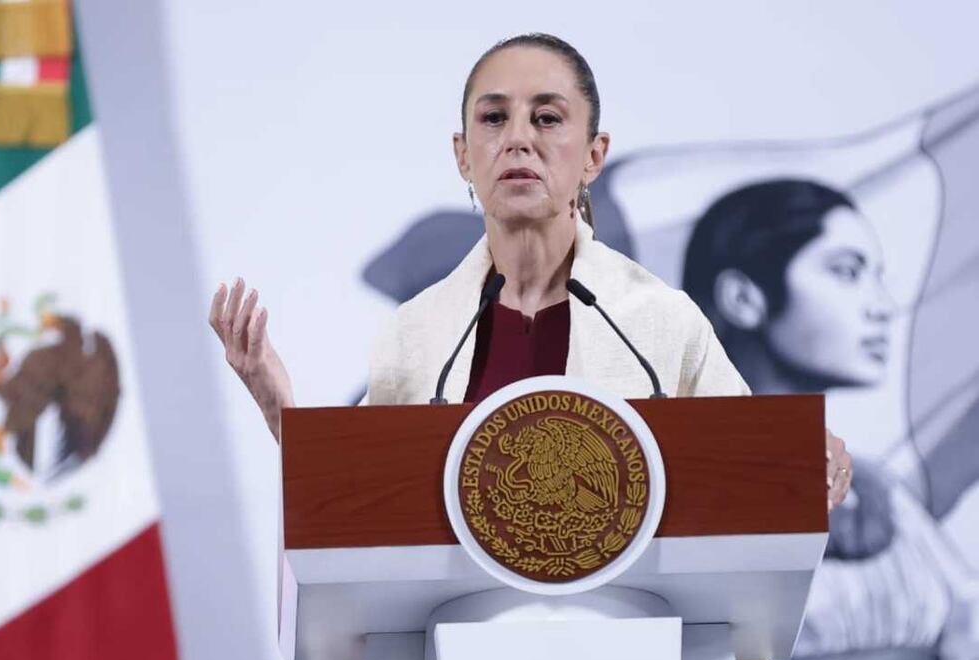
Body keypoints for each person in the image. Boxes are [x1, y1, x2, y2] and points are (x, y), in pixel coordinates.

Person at [207, 34, 851, 510]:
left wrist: (810, 462)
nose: (518, 140)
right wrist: (278, 404)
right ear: (463, 156)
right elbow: (354, 500)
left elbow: (758, 482)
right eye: (493, 119)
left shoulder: (661, 324)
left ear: (594, 155)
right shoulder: (418, 335)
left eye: (547, 118)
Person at [683, 179, 979, 660]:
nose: (883, 306)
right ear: (743, 297)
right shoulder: (669, 483)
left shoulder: (883, 494)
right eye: (846, 272)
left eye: (877, 276)